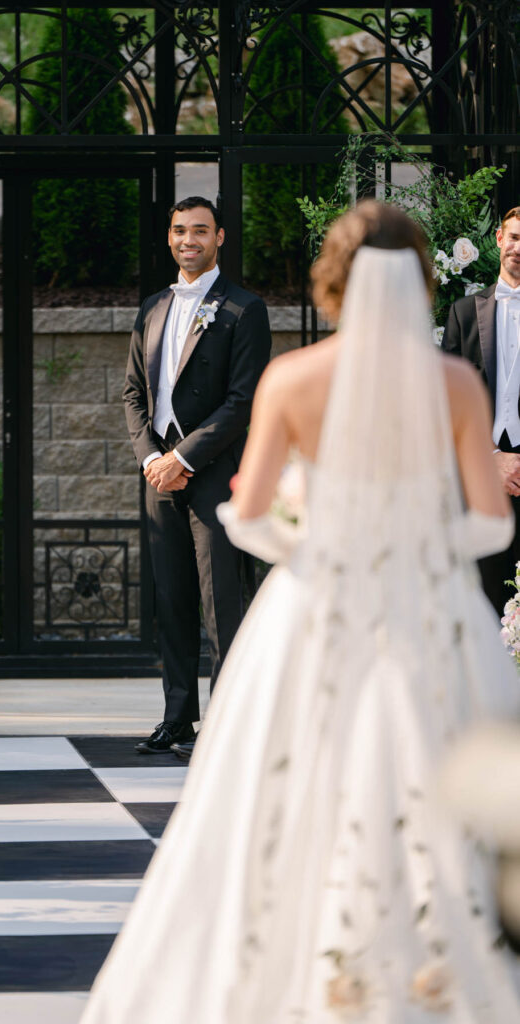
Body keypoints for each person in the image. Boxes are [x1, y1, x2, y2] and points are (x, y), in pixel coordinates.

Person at [81, 201, 520, 1023]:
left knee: (272, 785)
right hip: (430, 613)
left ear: (332, 279)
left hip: (315, 606)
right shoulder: (453, 383)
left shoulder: (294, 379)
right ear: (419, 277)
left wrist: (307, 528)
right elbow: (487, 522)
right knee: (430, 780)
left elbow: (245, 521)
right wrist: (413, 544)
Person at [124, 196, 271, 757]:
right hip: (158, 476)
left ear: (220, 238)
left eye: (201, 231)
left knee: (220, 605)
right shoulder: (152, 307)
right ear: (169, 238)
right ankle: (177, 718)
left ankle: (229, 724)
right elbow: (133, 392)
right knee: (173, 601)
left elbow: (242, 402)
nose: (190, 240)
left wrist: (182, 459)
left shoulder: (243, 308)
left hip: (210, 473)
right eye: (181, 231)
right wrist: (151, 461)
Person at [442, 206, 520, 615]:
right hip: (481, 473)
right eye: (514, 237)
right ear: (498, 240)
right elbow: (448, 399)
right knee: (486, 598)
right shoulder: (463, 312)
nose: (518, 248)